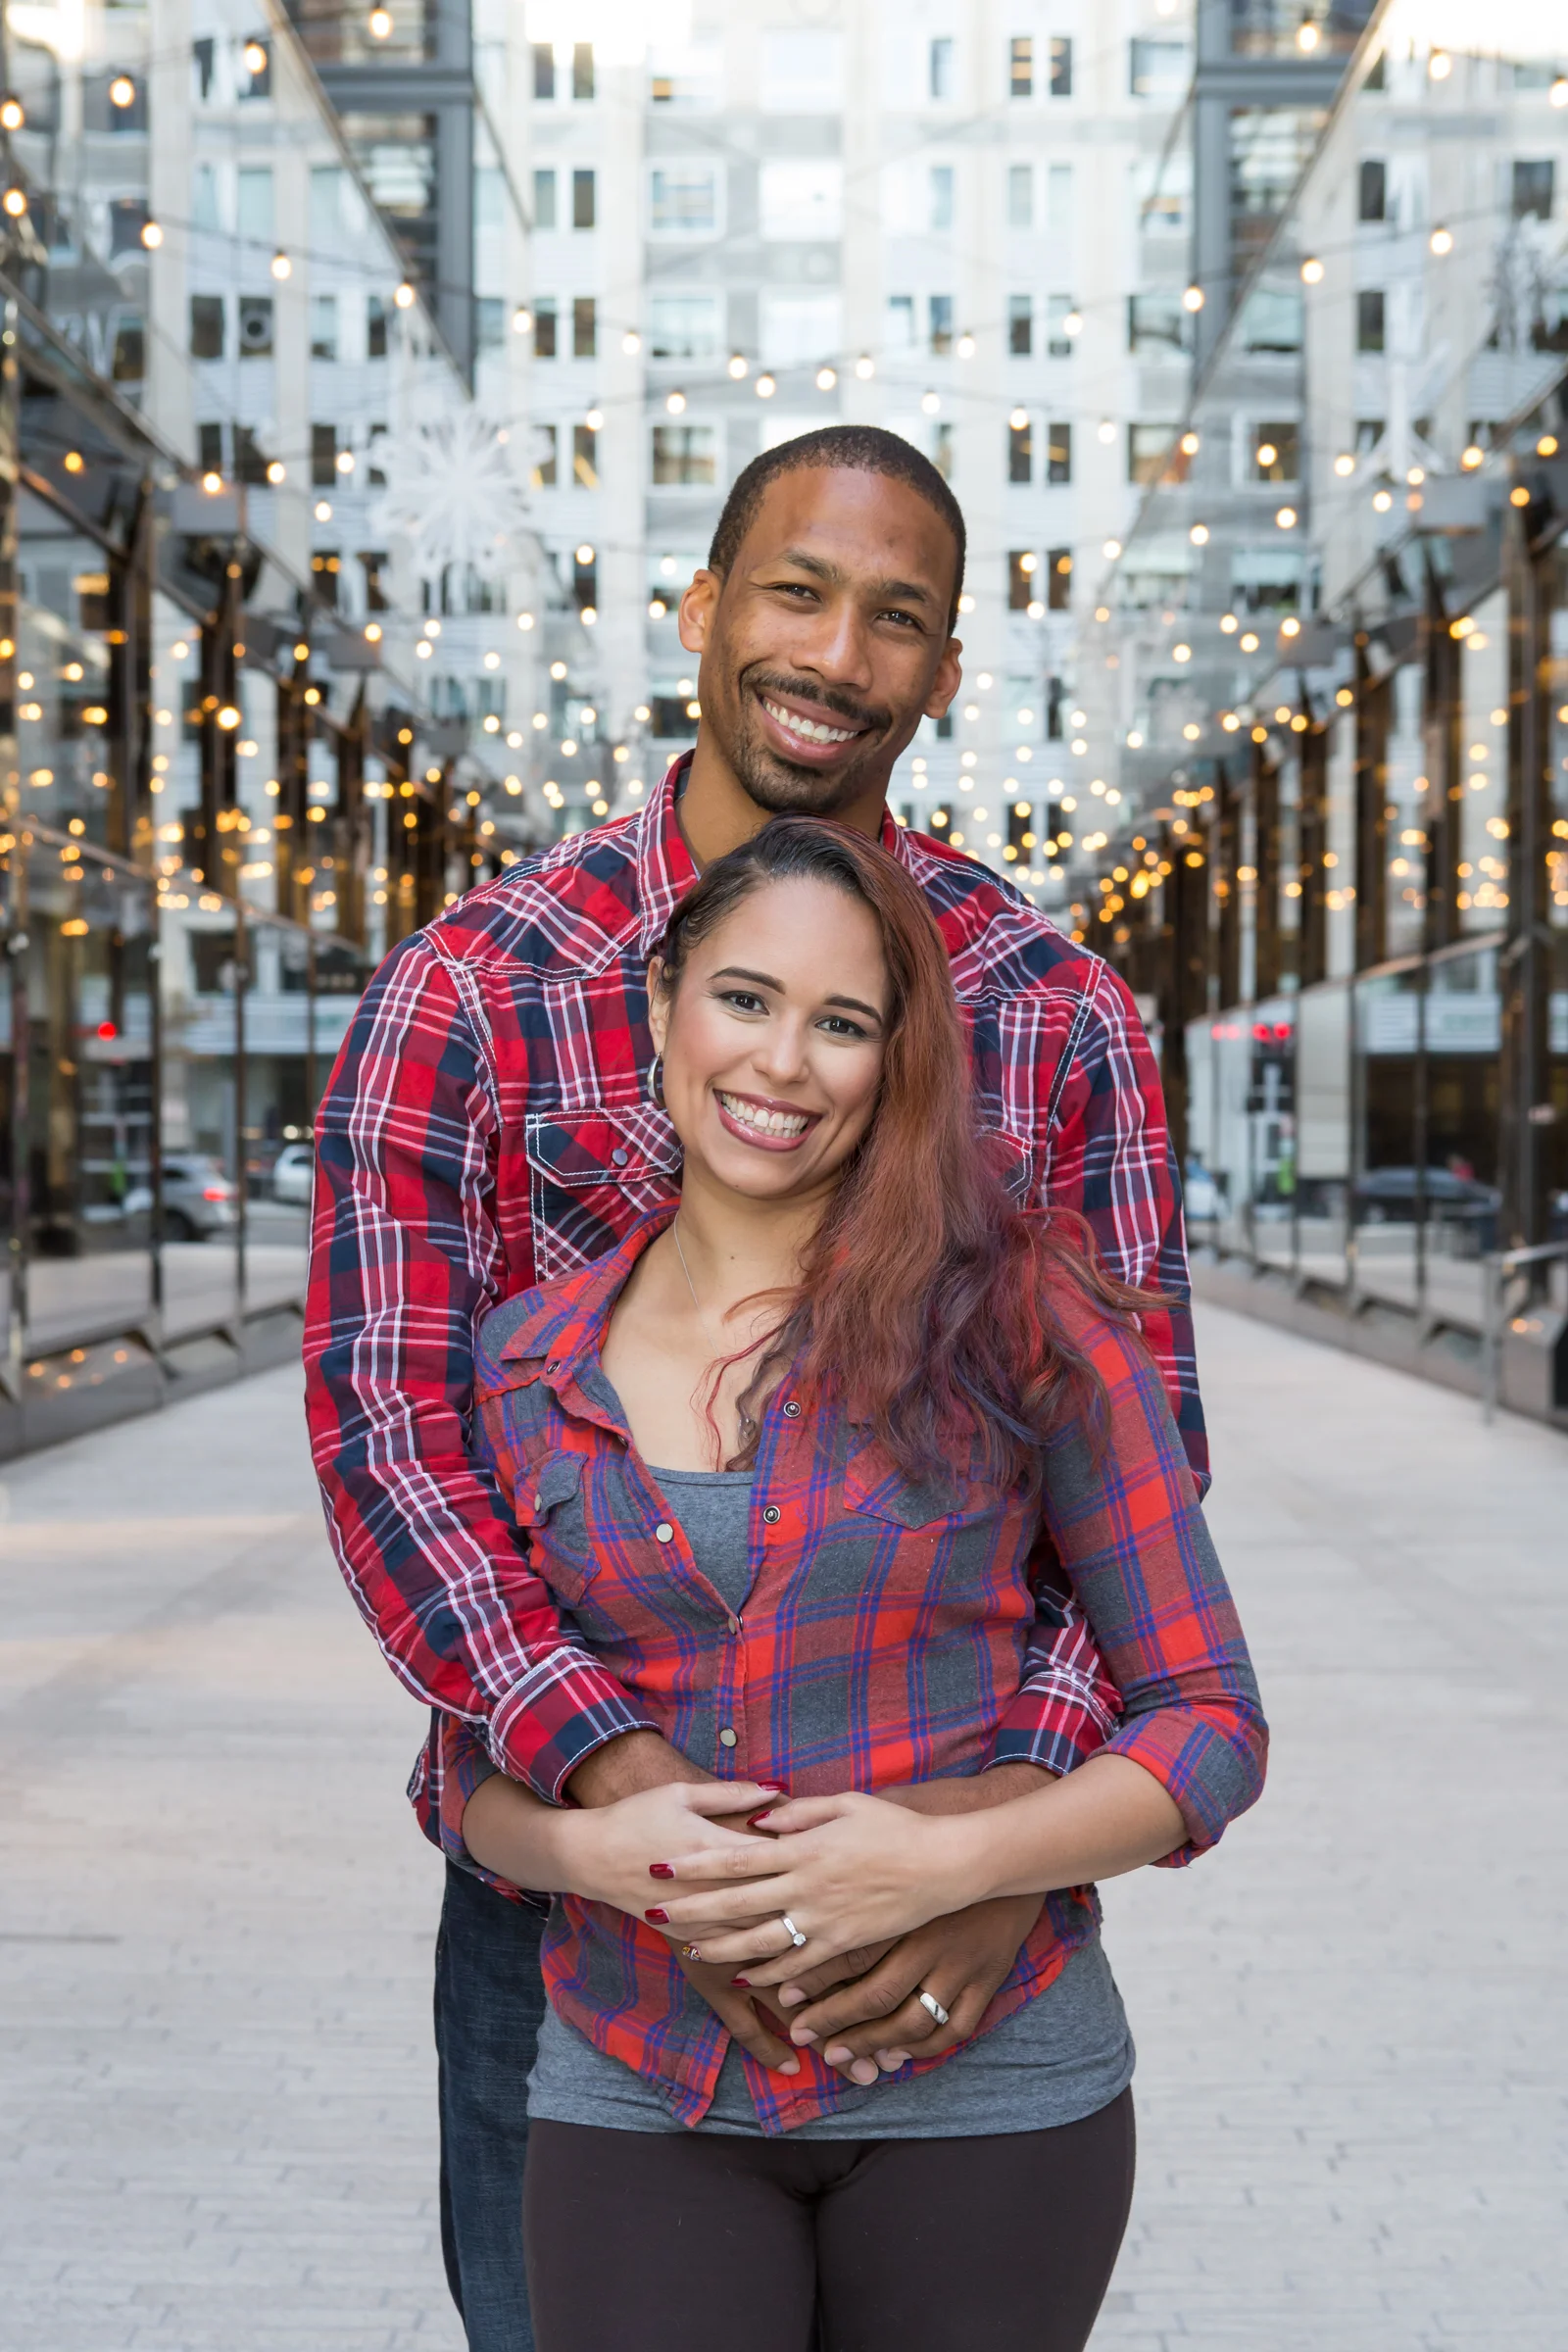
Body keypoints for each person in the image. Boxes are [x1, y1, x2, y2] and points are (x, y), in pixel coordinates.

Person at [305, 424, 1205, 2352]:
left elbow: (1141, 1483)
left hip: (961, 1919)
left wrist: (982, 1846)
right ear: (702, 610)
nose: (836, 653)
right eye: (793, 592)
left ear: (944, 676)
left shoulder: (1055, 1012)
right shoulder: (468, 992)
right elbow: (394, 1446)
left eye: (896, 620)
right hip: (580, 1920)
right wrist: (646, 1825)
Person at [447, 817, 1265, 2352]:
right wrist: (599, 1854)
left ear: (899, 1062)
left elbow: (1210, 1721)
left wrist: (957, 1865)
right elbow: (463, 1775)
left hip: (993, 2088)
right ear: (664, 1002)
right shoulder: (525, 1362)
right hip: (643, 2083)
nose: (783, 1063)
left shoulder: (1024, 1319)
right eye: (746, 1000)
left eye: (843, 1024)